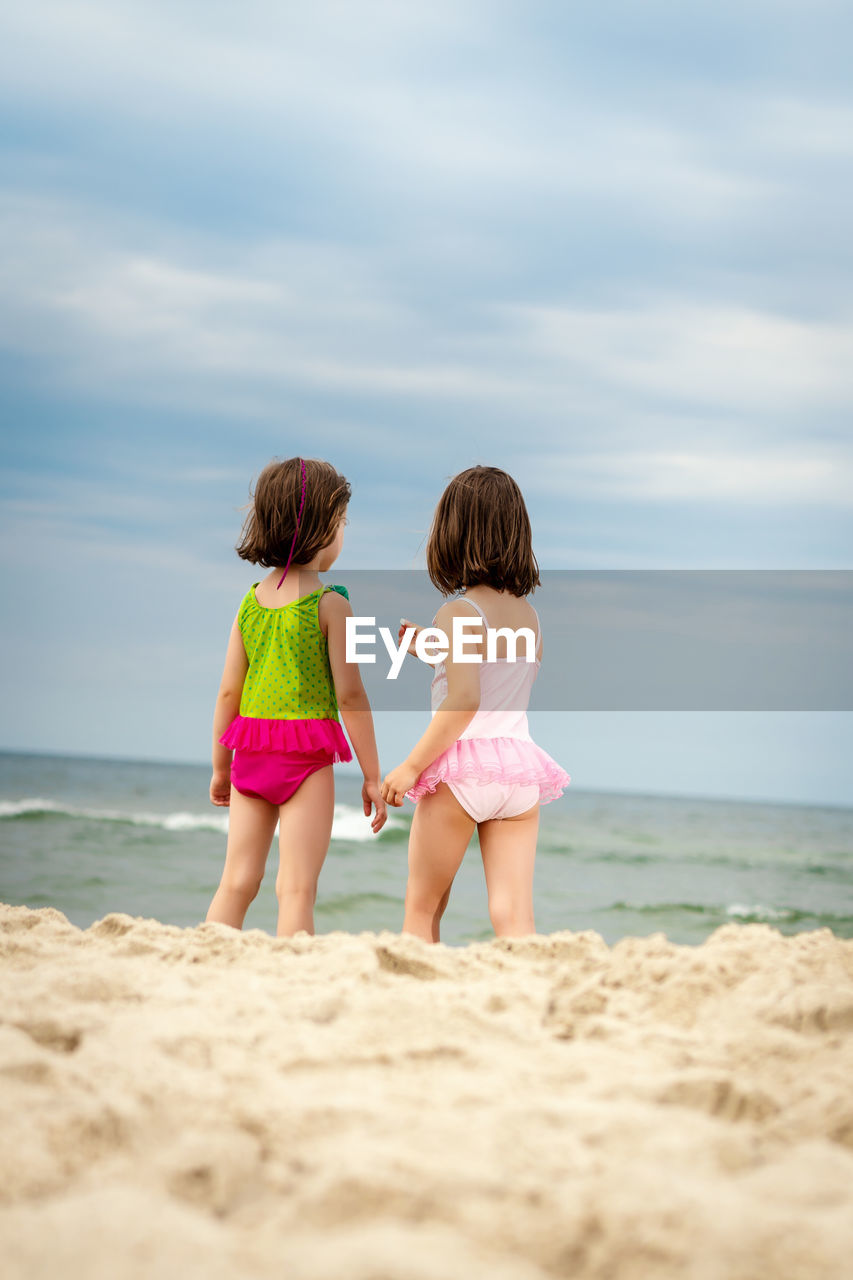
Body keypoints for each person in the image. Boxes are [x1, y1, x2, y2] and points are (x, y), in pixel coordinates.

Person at [380, 465, 569, 943]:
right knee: (513, 918)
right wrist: (435, 654)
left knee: (423, 910)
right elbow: (498, 682)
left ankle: (420, 1004)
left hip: (461, 770)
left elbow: (464, 700)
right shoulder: (532, 618)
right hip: (518, 772)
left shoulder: (457, 611)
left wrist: (409, 766)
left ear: (453, 535)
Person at [206, 456, 386, 936]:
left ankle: (205, 957)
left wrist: (221, 766)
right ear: (324, 528)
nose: (344, 532)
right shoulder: (331, 604)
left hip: (250, 752)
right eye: (343, 522)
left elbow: (229, 692)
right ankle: (292, 972)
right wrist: (372, 775)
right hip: (304, 757)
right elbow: (350, 696)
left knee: (237, 881)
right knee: (297, 887)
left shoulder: (250, 602)